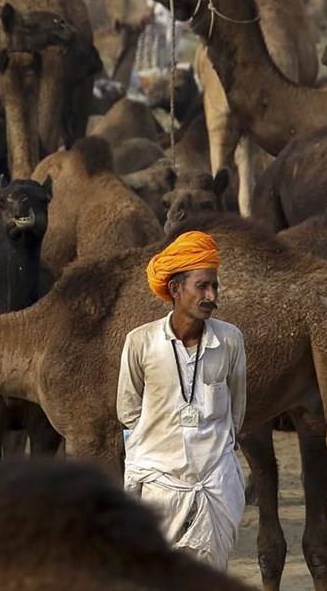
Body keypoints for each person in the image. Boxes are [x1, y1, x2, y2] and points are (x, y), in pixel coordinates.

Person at [117, 230, 247, 570]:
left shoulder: (230, 340)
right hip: (159, 483)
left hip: (215, 485)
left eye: (215, 286)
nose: (211, 295)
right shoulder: (141, 342)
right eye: (202, 286)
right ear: (176, 289)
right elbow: (128, 412)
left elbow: (237, 411)